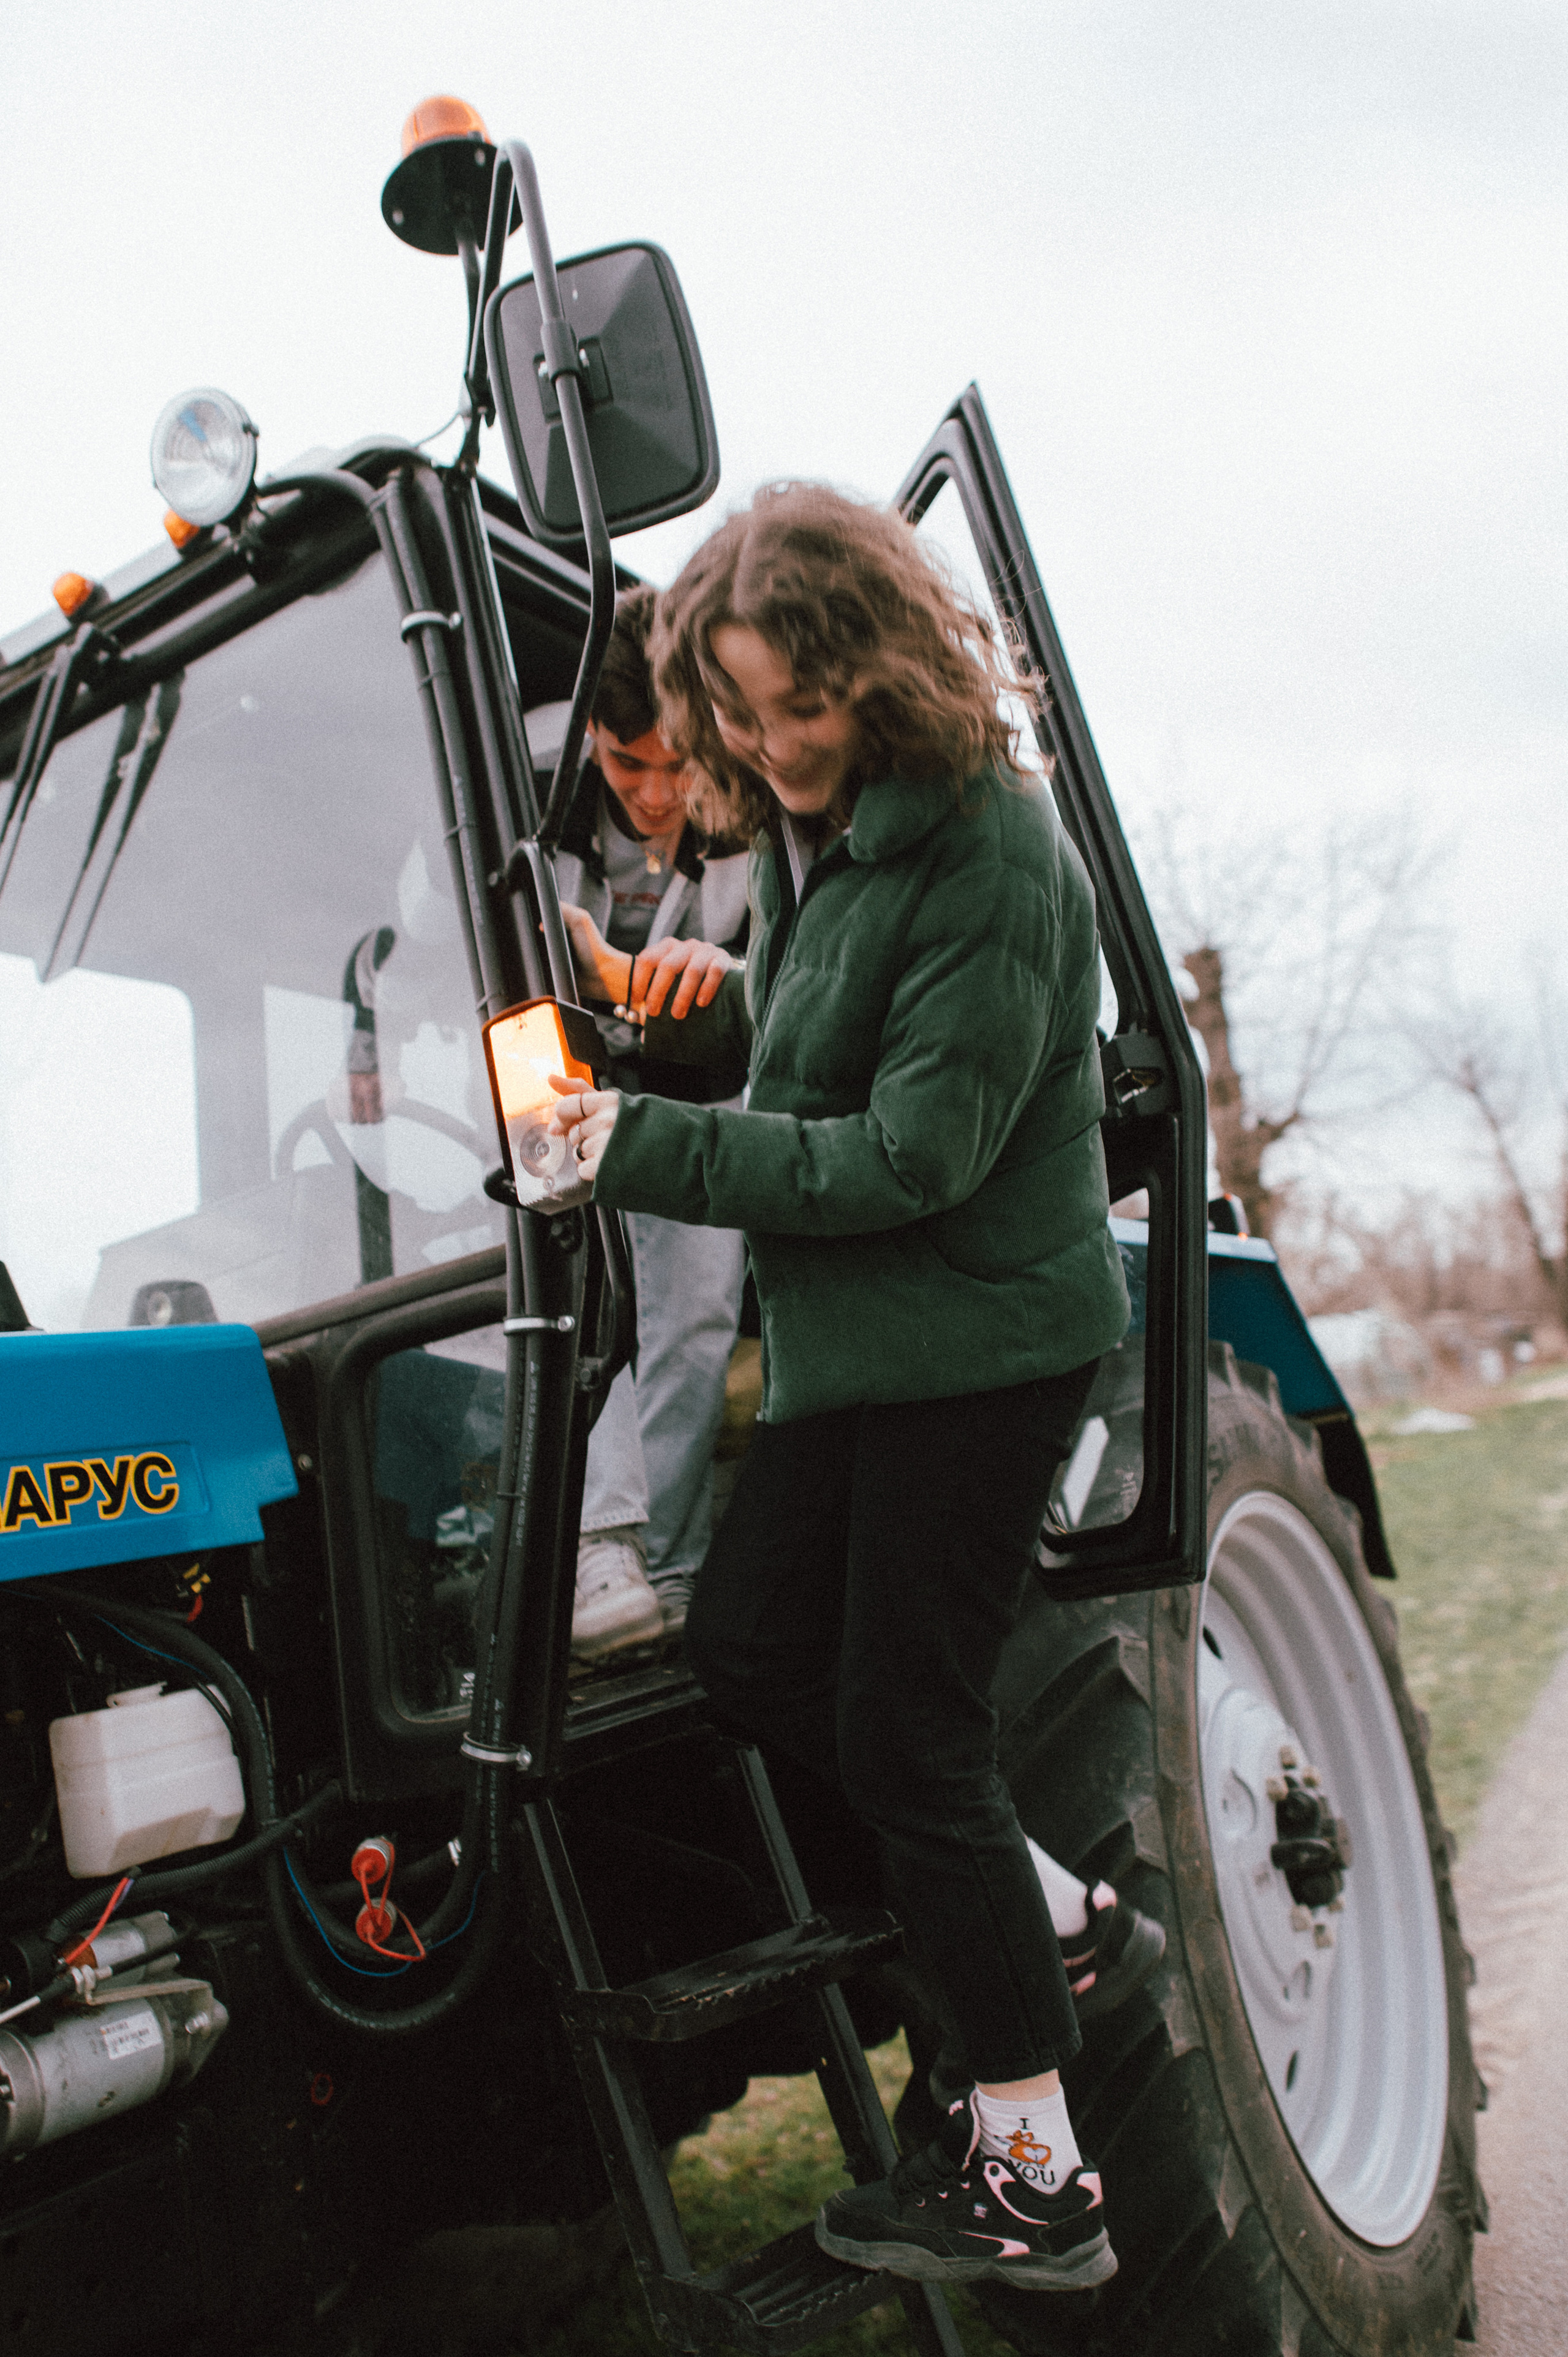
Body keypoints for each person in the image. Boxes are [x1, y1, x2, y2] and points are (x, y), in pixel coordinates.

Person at [549, 484, 1143, 2293]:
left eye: (798, 707)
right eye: (739, 711)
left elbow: (902, 1155)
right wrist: (708, 1002)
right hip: (851, 1349)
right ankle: (1053, 1909)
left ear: (877, 669)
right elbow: (829, 1027)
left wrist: (632, 1141)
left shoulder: (992, 857)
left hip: (978, 1345)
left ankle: (1040, 2178)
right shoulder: (826, 833)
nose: (770, 745)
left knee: (908, 1733)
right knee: (744, 1650)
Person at [550, 588, 751, 1660]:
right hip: (565, 1086)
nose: (661, 793)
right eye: (632, 768)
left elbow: (778, 994)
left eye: (678, 764)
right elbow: (421, 923)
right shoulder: (533, 804)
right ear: (591, 740)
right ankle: (585, 1548)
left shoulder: (750, 805)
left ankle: (659, 1570)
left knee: (693, 1306)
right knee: (572, 1284)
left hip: (706, 1083)